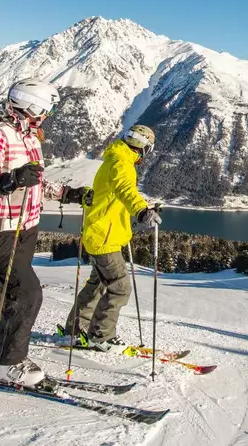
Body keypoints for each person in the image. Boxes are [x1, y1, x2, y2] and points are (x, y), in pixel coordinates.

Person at [0, 79, 91, 387]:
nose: (47, 115)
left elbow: (35, 181)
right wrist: (8, 181)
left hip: (26, 226)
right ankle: (10, 364)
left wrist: (69, 194)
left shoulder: (30, 138)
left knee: (4, 287)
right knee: (28, 291)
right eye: (46, 109)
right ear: (31, 106)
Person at [63, 124, 162, 351]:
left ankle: (75, 329)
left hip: (101, 234)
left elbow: (115, 194)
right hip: (104, 238)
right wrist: (142, 211)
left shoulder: (114, 158)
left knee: (97, 284)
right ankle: (101, 336)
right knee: (120, 287)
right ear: (144, 147)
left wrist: (142, 208)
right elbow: (126, 190)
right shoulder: (121, 164)